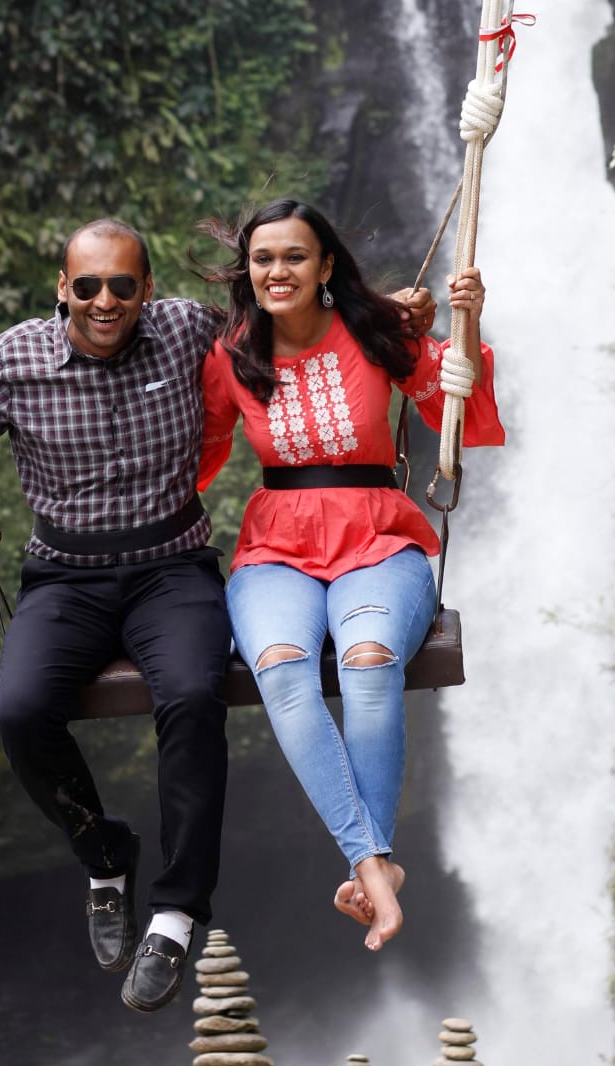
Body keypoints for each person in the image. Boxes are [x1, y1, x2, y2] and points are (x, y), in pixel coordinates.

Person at [0, 216, 436, 1010]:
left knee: (191, 694)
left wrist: (391, 310)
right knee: (19, 713)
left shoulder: (187, 331)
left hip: (170, 570)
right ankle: (105, 855)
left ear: (148, 289)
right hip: (65, 578)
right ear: (62, 288)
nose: (104, 302)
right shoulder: (13, 358)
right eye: (87, 286)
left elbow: (289, 307)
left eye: (122, 286)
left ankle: (179, 911)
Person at [197, 199, 505, 953]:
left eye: (295, 257)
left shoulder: (378, 331)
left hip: (380, 537)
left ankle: (370, 862)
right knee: (281, 665)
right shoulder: (231, 354)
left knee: (369, 663)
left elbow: (449, 399)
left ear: (326, 265)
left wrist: (462, 327)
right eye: (264, 259)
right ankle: (373, 864)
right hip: (276, 548)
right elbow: (197, 453)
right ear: (248, 270)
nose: (278, 271)